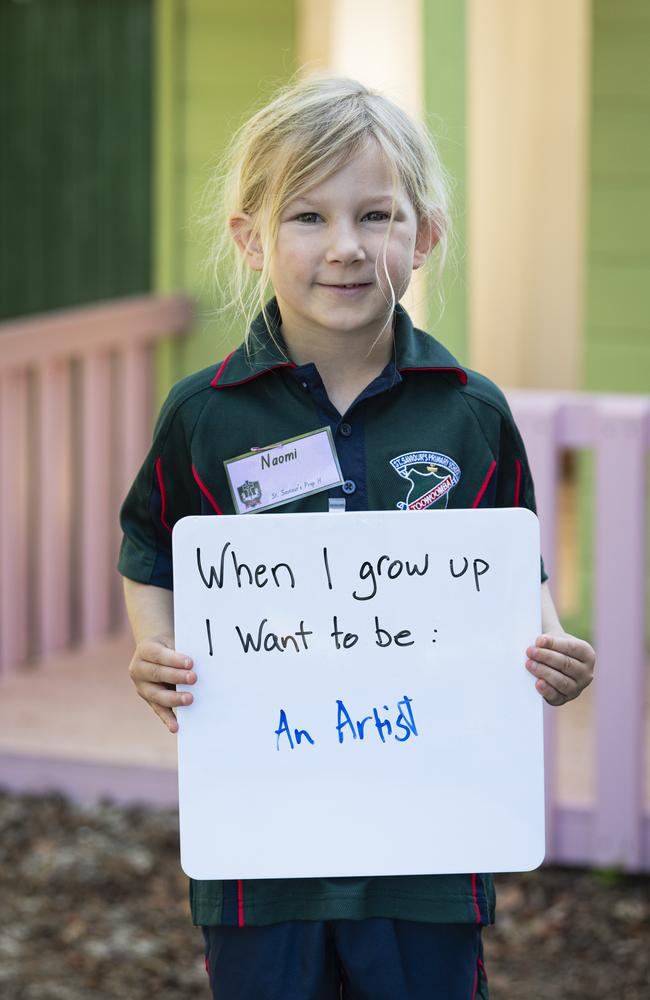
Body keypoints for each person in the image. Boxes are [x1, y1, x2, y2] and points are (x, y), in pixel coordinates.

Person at [119, 76, 595, 1000]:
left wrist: (552, 642)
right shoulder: (204, 416)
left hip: (429, 849)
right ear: (251, 237)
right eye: (307, 216)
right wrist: (153, 647)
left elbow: (513, 569)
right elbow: (150, 544)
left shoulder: (471, 413)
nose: (344, 247)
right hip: (263, 855)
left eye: (376, 214)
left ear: (424, 234)